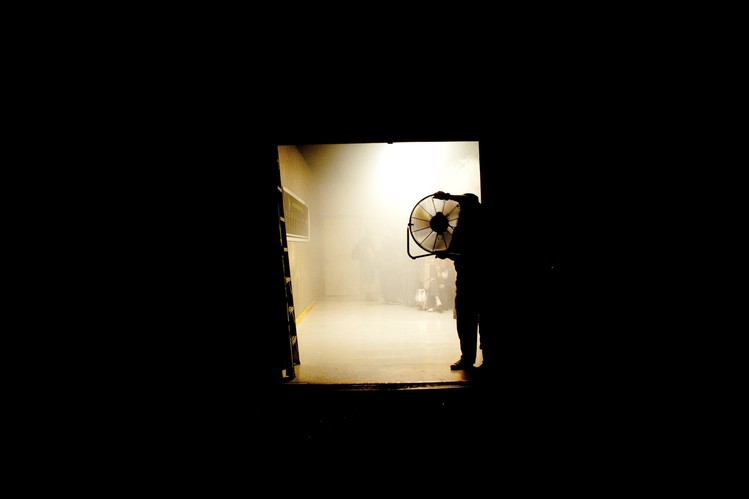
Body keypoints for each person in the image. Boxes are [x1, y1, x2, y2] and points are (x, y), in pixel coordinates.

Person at [432, 191, 492, 372]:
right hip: (466, 280)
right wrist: (447, 254)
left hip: (478, 279)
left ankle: (476, 359)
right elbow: (455, 253)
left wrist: (448, 196)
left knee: (478, 321)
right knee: (467, 322)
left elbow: (465, 254)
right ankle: (470, 358)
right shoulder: (462, 228)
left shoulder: (481, 224)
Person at [351, 229, 377, 301]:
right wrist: (374, 260)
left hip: (363, 262)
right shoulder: (368, 240)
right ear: (369, 233)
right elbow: (371, 252)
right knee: (369, 279)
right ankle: (368, 296)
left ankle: (367, 295)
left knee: (366, 279)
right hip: (368, 262)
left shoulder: (361, 241)